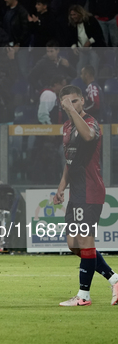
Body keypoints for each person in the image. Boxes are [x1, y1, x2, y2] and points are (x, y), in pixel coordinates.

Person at [54, 85, 118, 306]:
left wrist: (71, 111)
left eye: (75, 101)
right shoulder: (65, 126)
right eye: (66, 102)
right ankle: (115, 279)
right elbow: (69, 159)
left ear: (82, 100)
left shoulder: (90, 122)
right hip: (76, 191)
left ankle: (83, 296)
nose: (72, 105)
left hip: (90, 190)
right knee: (74, 245)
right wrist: (62, 185)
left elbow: (89, 137)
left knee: (85, 242)